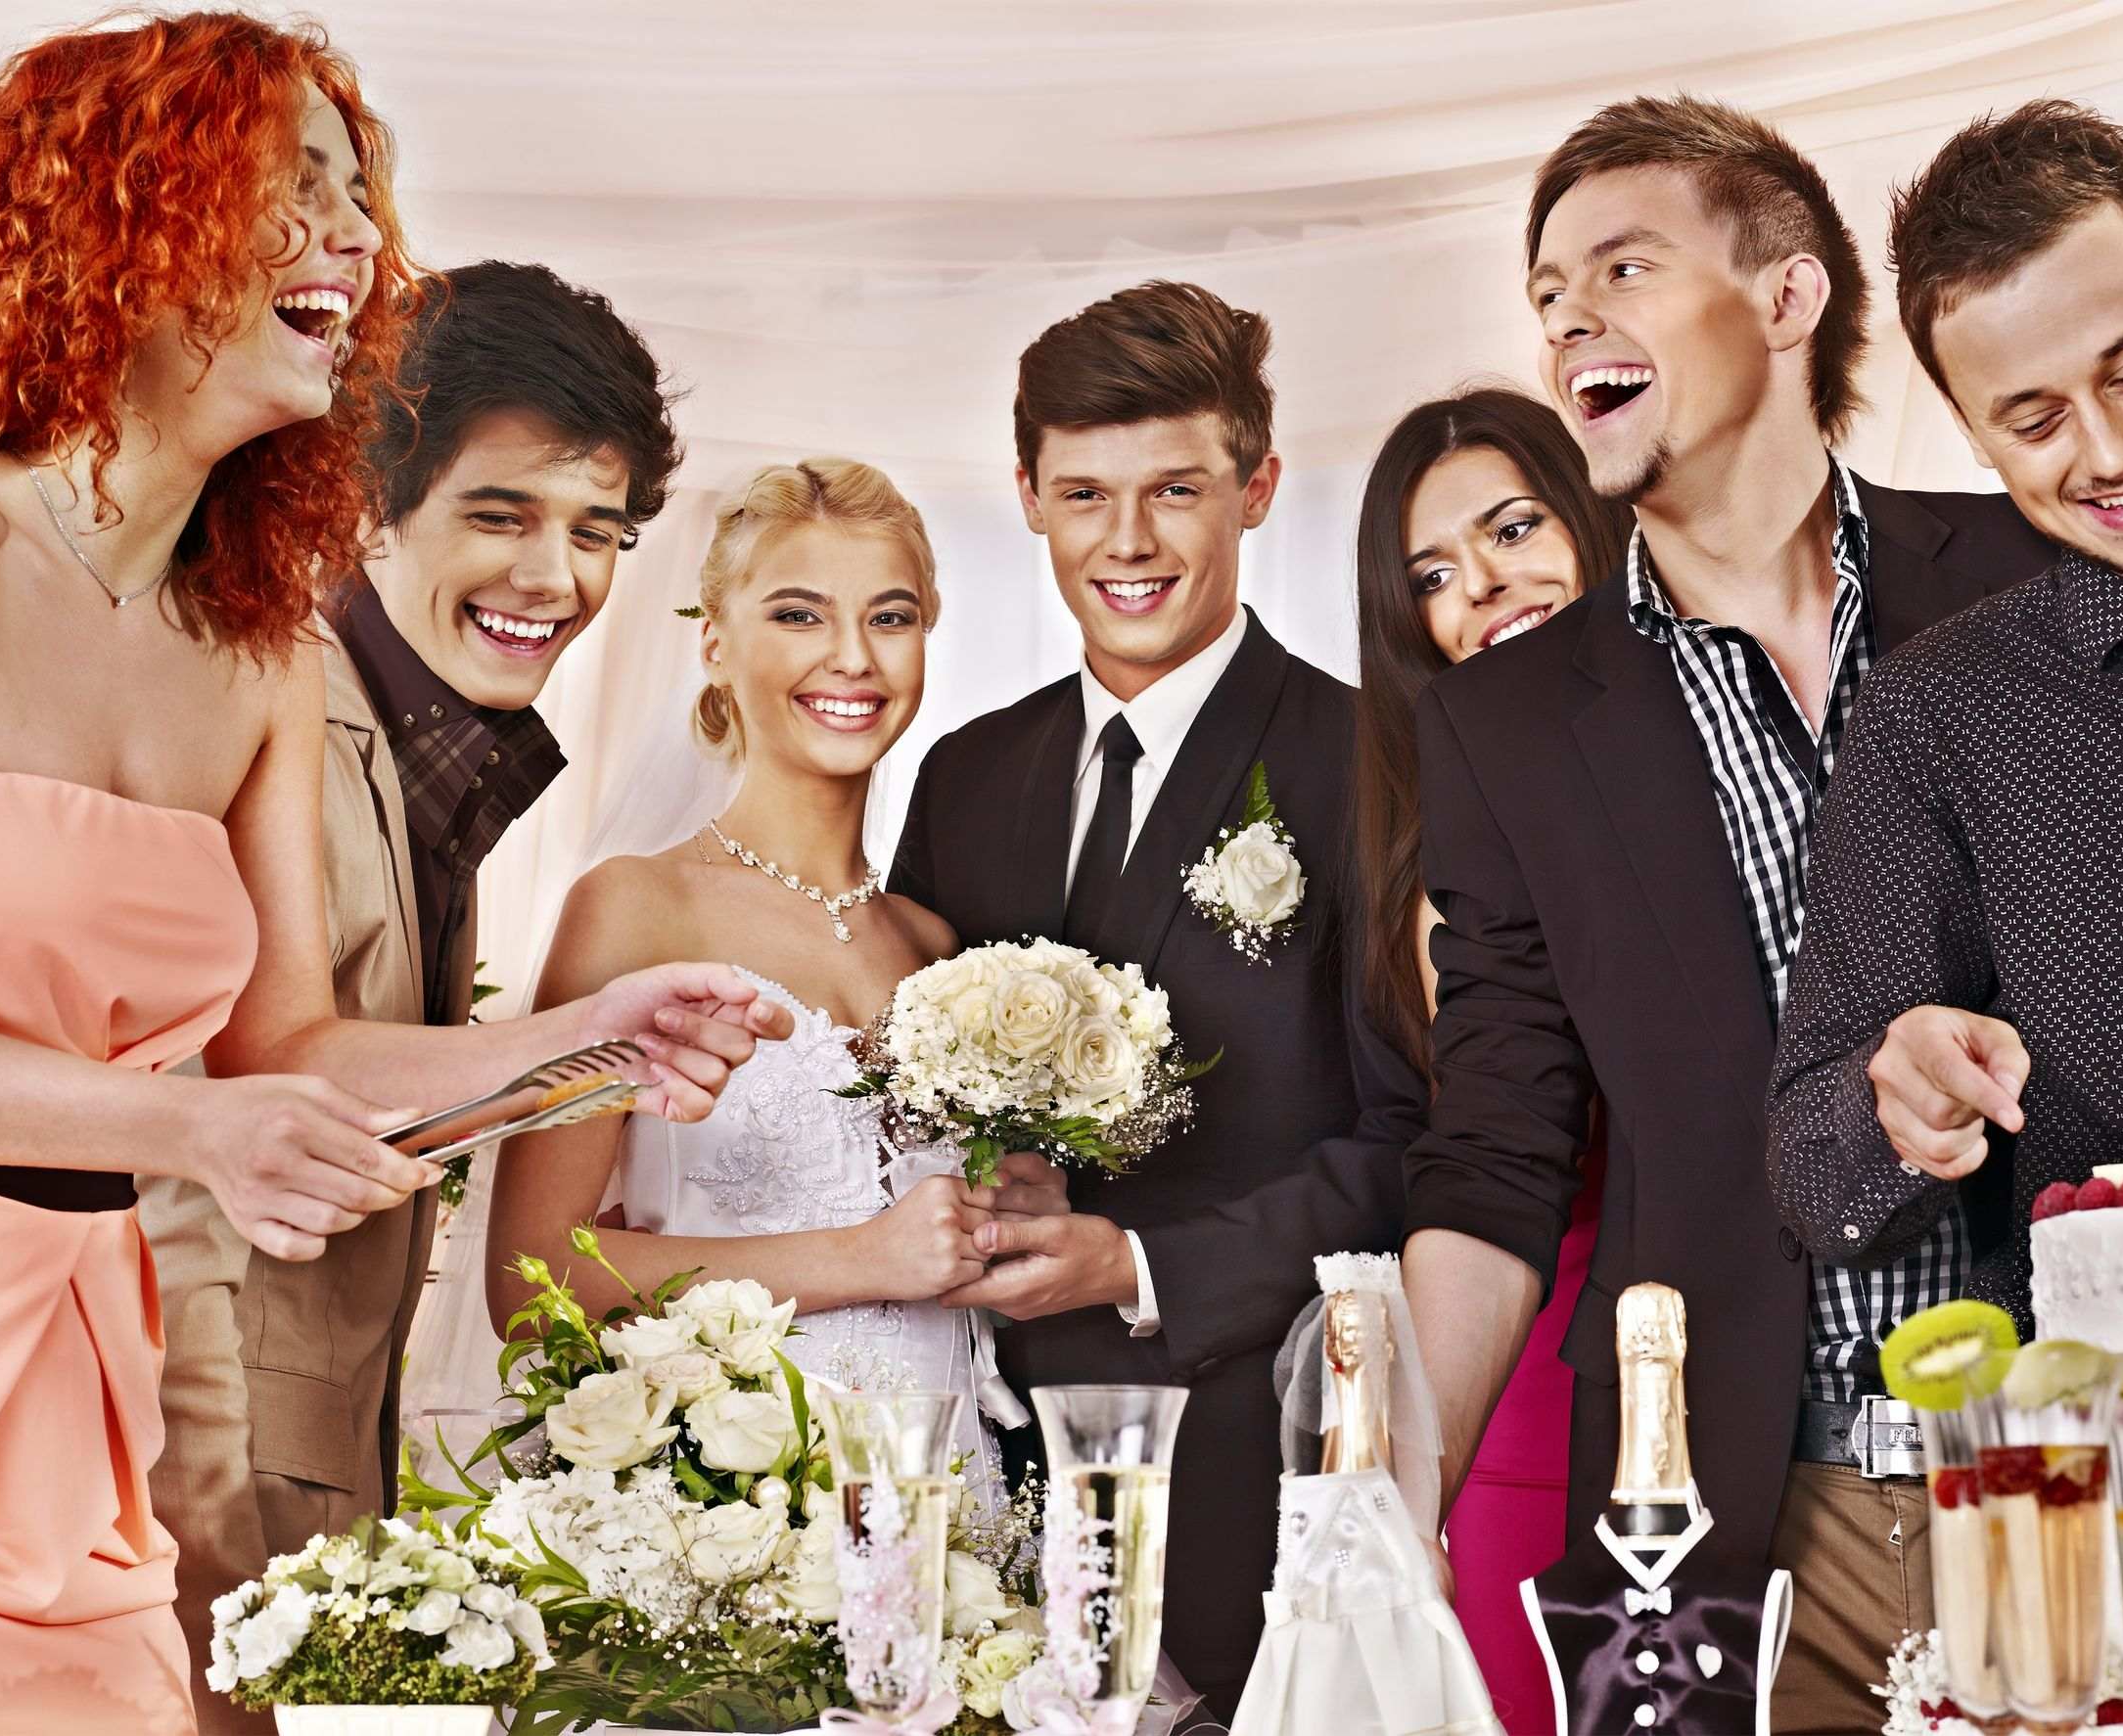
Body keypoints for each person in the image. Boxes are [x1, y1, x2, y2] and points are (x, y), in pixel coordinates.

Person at [0, 19, 777, 1733]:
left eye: (361, 199)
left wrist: (586, 1044)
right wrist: (186, 1127)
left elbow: (290, 1049)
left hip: (84, 1384)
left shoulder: (256, 644)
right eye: (297, 188)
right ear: (128, 217)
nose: (358, 242)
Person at [1393, 97, 2052, 1734]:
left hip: (2076, 1465)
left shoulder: (2035, 572)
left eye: (1622, 268)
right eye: (1548, 297)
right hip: (1717, 1529)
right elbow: (1496, 1146)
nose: (1570, 322)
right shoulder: (1505, 726)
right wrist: (1389, 1499)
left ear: (1786, 294)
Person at [140, 258, 771, 1730]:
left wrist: (600, 1062)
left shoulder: (423, 738)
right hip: (201, 1457)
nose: (556, 577)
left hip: (320, 1468)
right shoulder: (274, 697)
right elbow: (234, 1089)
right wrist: (588, 1034)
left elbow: (369, 1094)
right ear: (370, 503)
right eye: (502, 515)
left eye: (596, 531)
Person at [892, 280, 1431, 1721]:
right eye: (1084, 493)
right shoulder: (963, 775)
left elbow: (1413, 1141)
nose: (1126, 542)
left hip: (1244, 1466)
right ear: (1028, 497)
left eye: (1174, 490)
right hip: (980, 1472)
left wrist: (1137, 1263)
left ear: (1256, 488)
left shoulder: (1374, 760)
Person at [468, 458, 1071, 1475]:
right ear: (714, 641)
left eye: (890, 618)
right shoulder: (637, 907)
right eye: (798, 615)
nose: (853, 657)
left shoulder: (939, 950)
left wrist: (1014, 1215)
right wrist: (860, 1258)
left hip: (950, 1491)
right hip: (732, 1499)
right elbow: (531, 1279)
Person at [1771, 99, 2123, 1331]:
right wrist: (1895, 1096)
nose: (2110, 450)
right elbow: (1811, 1169)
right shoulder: (1936, 713)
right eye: (2033, 420)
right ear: (1968, 429)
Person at [1354, 386, 1630, 1736]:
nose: (1482, 586)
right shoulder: (1448, 871)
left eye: (1515, 529)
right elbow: (1503, 1137)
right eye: (1432, 576)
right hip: (1530, 1382)